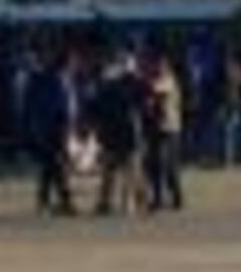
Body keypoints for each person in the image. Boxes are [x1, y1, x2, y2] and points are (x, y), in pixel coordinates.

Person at [23, 50, 78, 216]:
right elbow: (63, 108)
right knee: (57, 166)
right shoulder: (58, 81)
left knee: (49, 167)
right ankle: (65, 201)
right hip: (55, 129)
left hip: (44, 129)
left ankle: (44, 201)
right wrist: (67, 128)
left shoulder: (43, 80)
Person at [91, 52, 146, 216]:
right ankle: (128, 203)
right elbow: (142, 104)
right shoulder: (133, 84)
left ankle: (109, 203)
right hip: (126, 132)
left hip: (115, 133)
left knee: (114, 170)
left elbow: (96, 108)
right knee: (131, 169)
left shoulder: (108, 86)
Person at [145, 53, 185, 211]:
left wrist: (146, 85)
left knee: (169, 165)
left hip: (170, 128)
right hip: (156, 128)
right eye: (156, 65)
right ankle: (158, 198)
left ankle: (176, 197)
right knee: (155, 165)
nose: (158, 68)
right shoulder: (155, 80)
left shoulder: (169, 80)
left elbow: (157, 92)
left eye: (161, 65)